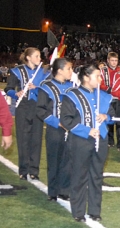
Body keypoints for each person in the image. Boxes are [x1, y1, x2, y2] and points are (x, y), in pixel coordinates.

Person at [60, 64, 115, 222]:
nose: (100, 79)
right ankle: (78, 211)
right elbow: (66, 119)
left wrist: (106, 117)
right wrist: (86, 130)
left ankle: (94, 211)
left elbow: (112, 115)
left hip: (101, 140)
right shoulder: (72, 95)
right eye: (97, 76)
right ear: (85, 77)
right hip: (80, 141)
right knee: (79, 175)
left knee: (97, 175)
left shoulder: (104, 96)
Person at [4, 47, 47, 180]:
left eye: (39, 56)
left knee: (36, 138)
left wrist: (38, 87)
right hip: (23, 107)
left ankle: (34, 170)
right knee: (23, 138)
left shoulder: (44, 72)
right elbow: (8, 88)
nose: (39, 59)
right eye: (36, 56)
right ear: (28, 58)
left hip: (38, 106)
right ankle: (23, 169)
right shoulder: (17, 71)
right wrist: (15, 94)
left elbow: (49, 88)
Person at [36, 58, 74, 201]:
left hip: (70, 130)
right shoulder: (46, 87)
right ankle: (52, 191)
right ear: (59, 71)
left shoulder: (72, 87)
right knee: (54, 159)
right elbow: (40, 110)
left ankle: (64, 190)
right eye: (69, 69)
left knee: (67, 160)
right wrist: (57, 123)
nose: (72, 72)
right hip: (55, 129)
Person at [100, 52, 120, 147]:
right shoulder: (103, 70)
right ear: (108, 61)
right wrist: (107, 88)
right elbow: (99, 82)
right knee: (109, 119)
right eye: (112, 60)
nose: (114, 63)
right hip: (107, 98)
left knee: (119, 120)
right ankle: (109, 140)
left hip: (118, 98)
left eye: (116, 61)